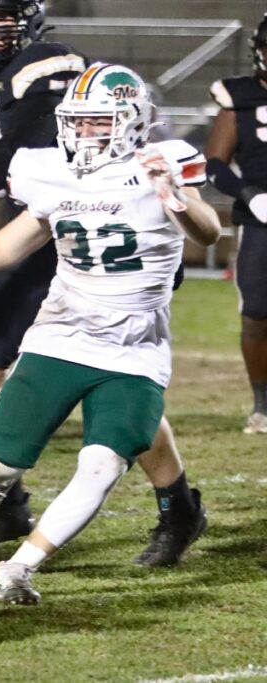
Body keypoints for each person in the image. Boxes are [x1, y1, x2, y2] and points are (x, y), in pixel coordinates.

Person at [0, 63, 221, 603]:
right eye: (76, 122)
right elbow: (5, 246)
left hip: (134, 351)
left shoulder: (165, 163)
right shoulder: (49, 170)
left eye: (97, 122)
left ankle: (21, 566)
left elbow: (208, 229)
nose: (83, 134)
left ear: (131, 121)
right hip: (60, 336)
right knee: (1, 456)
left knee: (102, 464)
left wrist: (177, 199)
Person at [206, 13, 267, 435]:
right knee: (257, 315)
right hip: (260, 219)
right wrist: (250, 195)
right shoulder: (240, 97)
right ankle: (263, 404)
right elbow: (213, 164)